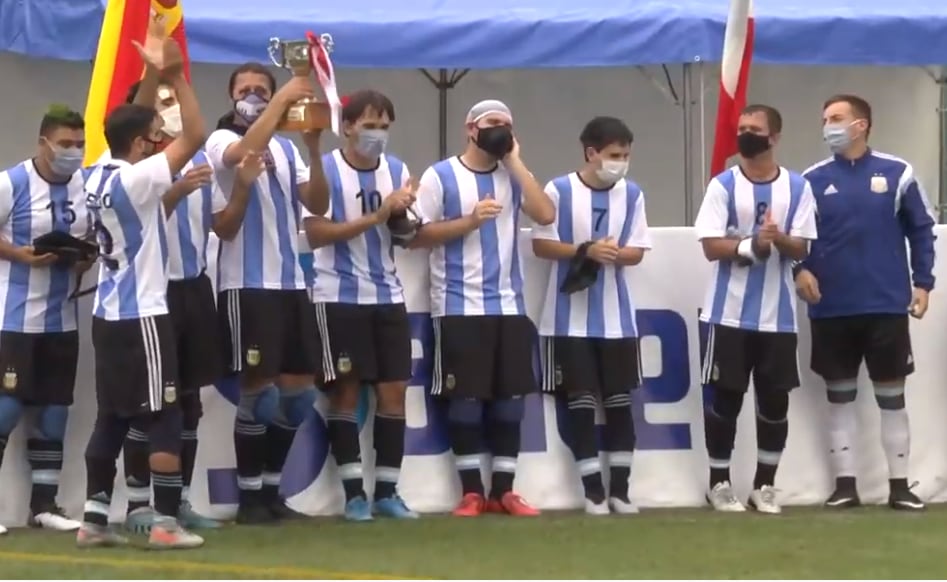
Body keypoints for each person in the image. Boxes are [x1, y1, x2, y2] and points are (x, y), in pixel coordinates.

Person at [76, 36, 206, 549]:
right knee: (165, 414)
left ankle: (92, 520)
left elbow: (136, 128)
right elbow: (194, 133)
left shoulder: (95, 175)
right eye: (153, 137)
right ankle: (165, 524)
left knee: (112, 415)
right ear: (138, 145)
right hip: (143, 314)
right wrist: (174, 74)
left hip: (108, 314)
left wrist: (149, 78)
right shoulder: (135, 179)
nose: (159, 141)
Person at [411, 99, 555, 517]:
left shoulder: (513, 176)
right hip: (458, 305)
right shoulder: (442, 175)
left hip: (509, 305)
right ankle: (472, 491)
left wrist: (515, 161)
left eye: (507, 125)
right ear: (471, 129)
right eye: (492, 124)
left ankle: (505, 490)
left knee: (511, 399)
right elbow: (416, 236)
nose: (500, 130)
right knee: (466, 399)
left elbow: (545, 213)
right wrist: (469, 222)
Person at [796, 94, 935, 511]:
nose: (828, 126)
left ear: (862, 124)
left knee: (892, 397)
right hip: (831, 307)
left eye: (837, 118)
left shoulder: (899, 173)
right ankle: (844, 485)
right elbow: (796, 236)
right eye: (825, 119)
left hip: (885, 306)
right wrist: (799, 269)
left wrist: (923, 283)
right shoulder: (811, 180)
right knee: (839, 396)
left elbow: (923, 230)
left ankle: (899, 486)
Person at [205, 61, 330, 524]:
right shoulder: (221, 138)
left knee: (299, 397)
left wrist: (314, 149)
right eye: (246, 89)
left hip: (291, 282)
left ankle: (274, 492)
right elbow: (238, 155)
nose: (254, 95)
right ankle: (249, 496)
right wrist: (281, 101)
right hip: (247, 283)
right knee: (260, 393)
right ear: (231, 95)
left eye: (263, 89)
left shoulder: (286, 147)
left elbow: (317, 203)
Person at [119, 68, 240, 533]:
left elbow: (217, 226)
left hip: (194, 286)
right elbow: (139, 221)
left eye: (175, 100)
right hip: (152, 293)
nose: (170, 110)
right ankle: (135, 505)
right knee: (148, 401)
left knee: (189, 400)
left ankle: (179, 498)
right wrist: (175, 191)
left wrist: (242, 186)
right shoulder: (134, 167)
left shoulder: (193, 163)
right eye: (161, 102)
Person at [694, 104, 817, 514]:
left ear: (774, 137)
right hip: (726, 313)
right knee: (724, 399)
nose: (746, 134)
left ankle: (765, 485)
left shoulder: (798, 187)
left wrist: (778, 239)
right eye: (742, 128)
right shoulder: (723, 185)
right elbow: (712, 246)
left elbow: (802, 246)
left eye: (754, 129)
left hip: (777, 316)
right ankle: (719, 482)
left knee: (774, 401)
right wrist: (752, 245)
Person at [303, 90, 419, 521]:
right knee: (346, 393)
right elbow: (315, 234)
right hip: (338, 296)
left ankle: (387, 491)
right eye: (370, 125)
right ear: (347, 126)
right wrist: (377, 215)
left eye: (385, 127)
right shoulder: (328, 170)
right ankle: (354, 495)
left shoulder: (397, 170)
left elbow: (407, 236)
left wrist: (403, 217)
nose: (378, 135)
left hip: (388, 294)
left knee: (394, 393)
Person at [532, 116, 651, 515]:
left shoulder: (632, 194)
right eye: (615, 155)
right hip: (567, 319)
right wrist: (585, 250)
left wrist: (617, 254)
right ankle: (592, 491)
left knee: (619, 401)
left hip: (617, 321)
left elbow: (638, 250)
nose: (621, 163)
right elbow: (542, 246)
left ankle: (621, 490)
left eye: (626, 155)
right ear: (591, 153)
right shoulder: (559, 190)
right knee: (579, 401)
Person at [0, 105, 92, 535]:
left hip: (63, 319)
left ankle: (44, 505)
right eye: (65, 144)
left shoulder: (85, 186)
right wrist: (18, 255)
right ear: (43, 143)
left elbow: (96, 237)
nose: (73, 152)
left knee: (55, 412)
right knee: (6, 409)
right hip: (14, 318)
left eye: (79, 144)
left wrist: (82, 258)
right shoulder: (12, 182)